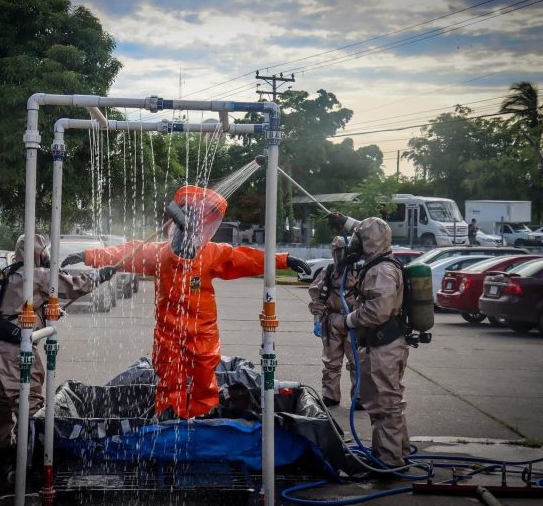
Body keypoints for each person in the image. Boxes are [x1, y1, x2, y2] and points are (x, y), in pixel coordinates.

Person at [61, 185, 311, 419]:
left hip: (202, 334)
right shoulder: (158, 254)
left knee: (204, 381)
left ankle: (203, 419)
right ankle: (169, 418)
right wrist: (87, 255)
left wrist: (283, 259)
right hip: (168, 334)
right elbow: (122, 253)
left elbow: (247, 258)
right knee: (169, 380)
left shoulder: (212, 253)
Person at [0, 234, 117, 460]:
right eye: (43, 251)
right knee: (29, 401)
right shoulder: (36, 275)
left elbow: (16, 308)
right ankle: (30, 454)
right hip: (15, 351)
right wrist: (101, 275)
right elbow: (73, 285)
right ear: (36, 253)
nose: (46, 256)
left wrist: (43, 315)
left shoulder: (9, 273)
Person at [328, 213, 410, 469]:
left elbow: (378, 310)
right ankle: (397, 452)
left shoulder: (382, 270)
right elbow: (368, 229)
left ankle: (389, 461)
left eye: (359, 240)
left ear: (370, 242)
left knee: (385, 405)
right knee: (387, 403)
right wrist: (345, 221)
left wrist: (349, 320)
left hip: (383, 347)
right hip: (380, 345)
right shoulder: (379, 264)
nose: (355, 245)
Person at [307, 236, 360, 409]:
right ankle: (330, 395)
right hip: (333, 320)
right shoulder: (328, 271)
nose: (341, 256)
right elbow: (317, 297)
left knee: (357, 361)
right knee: (331, 361)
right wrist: (317, 320)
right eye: (338, 252)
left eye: (343, 252)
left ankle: (359, 397)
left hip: (355, 321)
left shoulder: (360, 271)